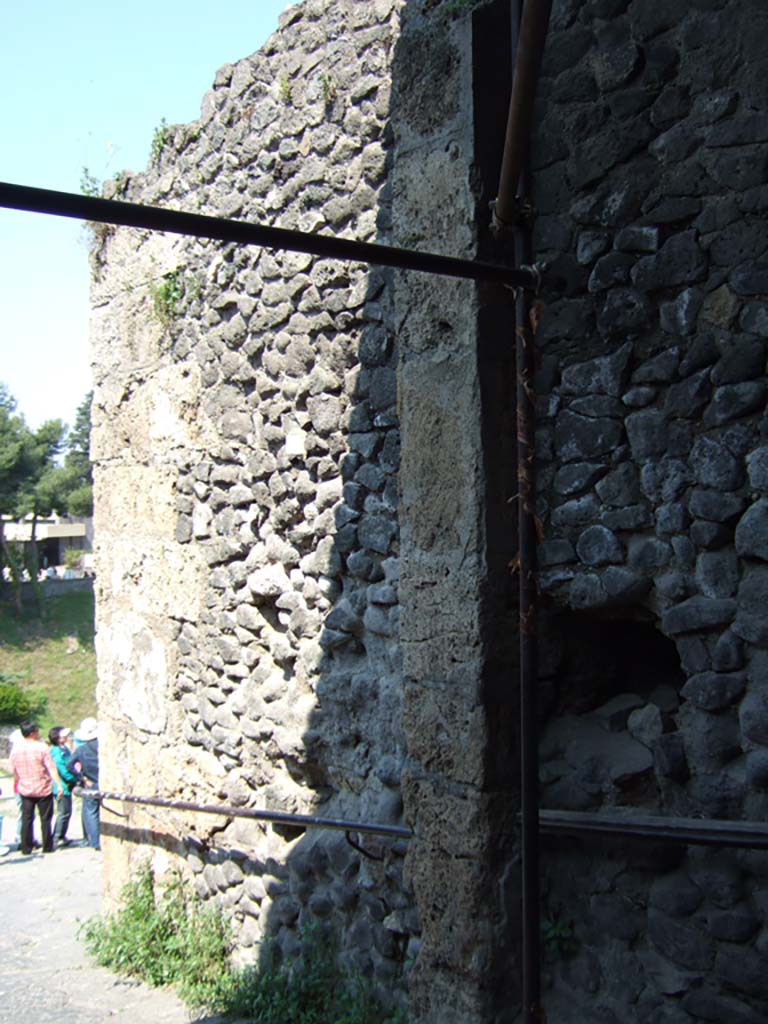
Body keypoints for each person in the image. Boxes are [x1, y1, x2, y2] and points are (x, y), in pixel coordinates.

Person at [9, 720, 66, 855]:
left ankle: (26, 846)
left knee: (27, 818)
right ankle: (47, 845)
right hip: (43, 787)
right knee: (46, 818)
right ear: (33, 733)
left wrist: (19, 780)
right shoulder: (41, 748)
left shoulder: (16, 749)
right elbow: (51, 768)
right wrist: (58, 784)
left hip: (25, 788)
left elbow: (13, 769)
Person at [67, 718, 100, 851]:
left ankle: (95, 842)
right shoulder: (104, 745)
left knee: (91, 812)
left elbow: (69, 765)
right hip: (105, 782)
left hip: (90, 783)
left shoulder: (81, 750)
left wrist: (81, 777)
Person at [48, 726, 77, 847]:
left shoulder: (64, 749)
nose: (66, 737)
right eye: (63, 736)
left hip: (67, 785)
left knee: (67, 812)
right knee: (63, 812)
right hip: (61, 786)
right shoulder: (55, 751)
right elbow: (60, 767)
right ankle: (56, 837)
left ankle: (61, 835)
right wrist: (72, 778)